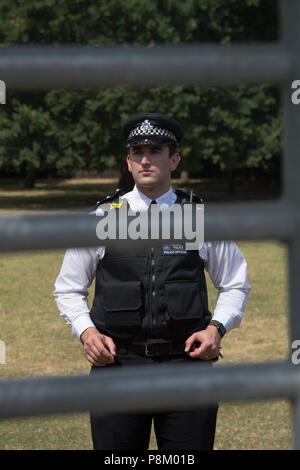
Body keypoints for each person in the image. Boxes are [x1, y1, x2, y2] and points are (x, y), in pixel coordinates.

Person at [54, 113, 250, 450]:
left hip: (187, 366)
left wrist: (216, 329)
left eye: (155, 151)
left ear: (173, 160)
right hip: (117, 366)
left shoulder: (199, 218)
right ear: (127, 162)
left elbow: (234, 282)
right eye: (137, 152)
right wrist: (87, 333)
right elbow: (69, 288)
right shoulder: (104, 217)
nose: (146, 159)